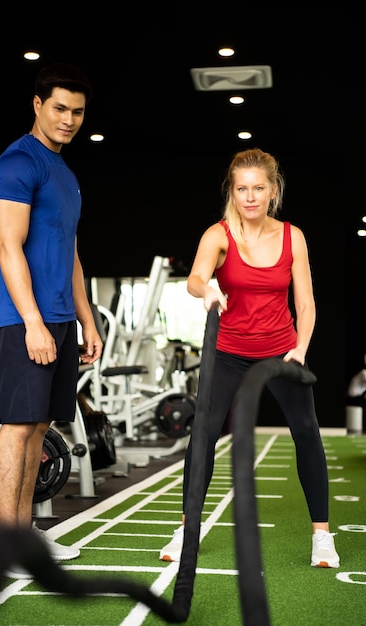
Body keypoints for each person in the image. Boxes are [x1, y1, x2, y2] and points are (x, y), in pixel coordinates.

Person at [159, 147, 340, 568]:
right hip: (228, 352)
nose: (251, 197)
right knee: (202, 435)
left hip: (281, 351)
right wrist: (209, 290)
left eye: (259, 188)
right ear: (233, 192)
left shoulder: (293, 236)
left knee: (307, 433)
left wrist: (301, 349)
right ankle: (188, 529)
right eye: (243, 189)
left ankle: (322, 536)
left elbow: (307, 304)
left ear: (273, 191)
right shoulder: (219, 234)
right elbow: (195, 278)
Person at [0, 62, 103, 577]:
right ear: (37, 105)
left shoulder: (67, 173)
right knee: (16, 427)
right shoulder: (17, 164)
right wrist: (32, 321)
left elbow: (71, 253)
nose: (69, 119)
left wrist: (87, 319)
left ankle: (26, 535)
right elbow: (9, 249)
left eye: (78, 111)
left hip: (59, 318)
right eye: (60, 108)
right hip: (25, 319)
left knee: (39, 428)